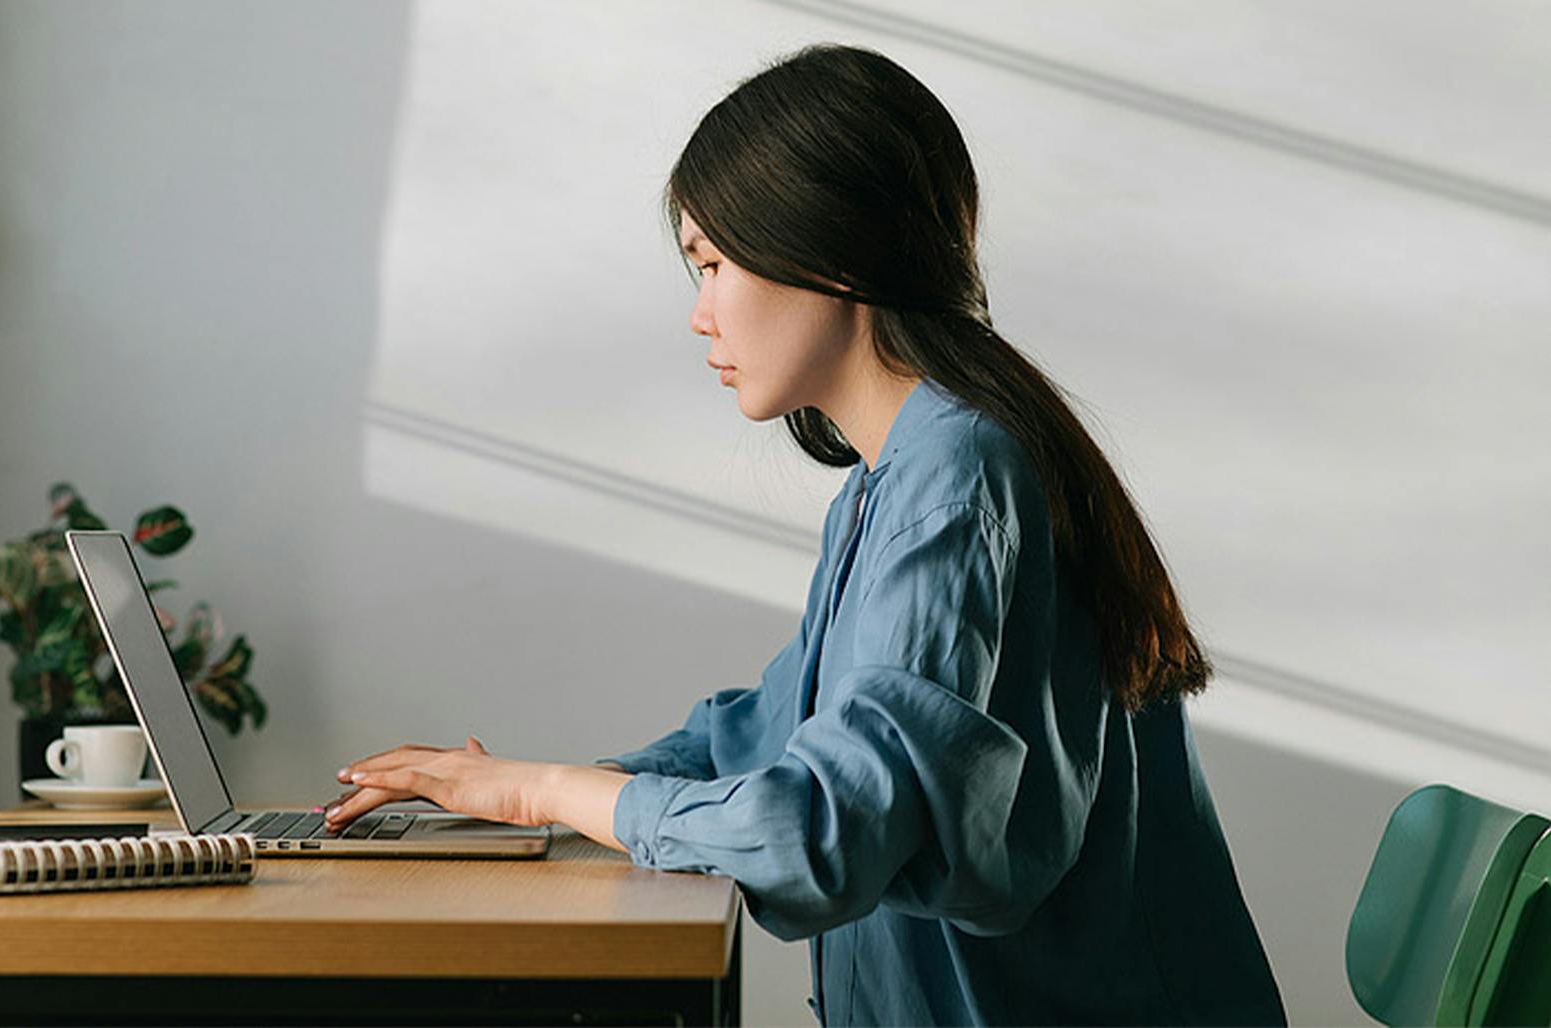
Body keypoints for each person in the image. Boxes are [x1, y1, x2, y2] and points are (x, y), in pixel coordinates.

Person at [324, 43, 1286, 1026]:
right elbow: (767, 731)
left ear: (828, 254)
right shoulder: (901, 474)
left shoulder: (954, 477)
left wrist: (541, 793)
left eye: (711, 264)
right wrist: (524, 794)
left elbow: (823, 825)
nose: (699, 315)